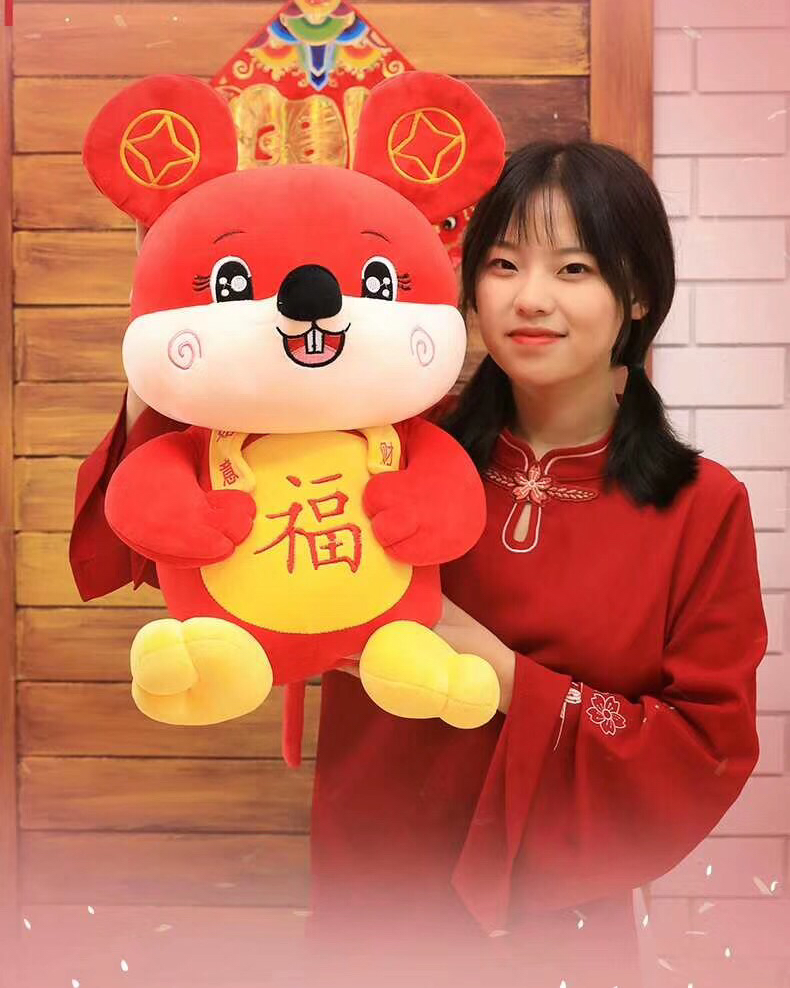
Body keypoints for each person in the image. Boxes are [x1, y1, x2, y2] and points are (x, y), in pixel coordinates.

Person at [70, 140, 767, 988]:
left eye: (574, 269)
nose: (531, 297)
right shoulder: (376, 444)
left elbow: (703, 748)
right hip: (374, 896)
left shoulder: (703, 506)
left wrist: (505, 676)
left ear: (639, 293)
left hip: (559, 925)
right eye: (504, 263)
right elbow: (160, 541)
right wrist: (170, 335)